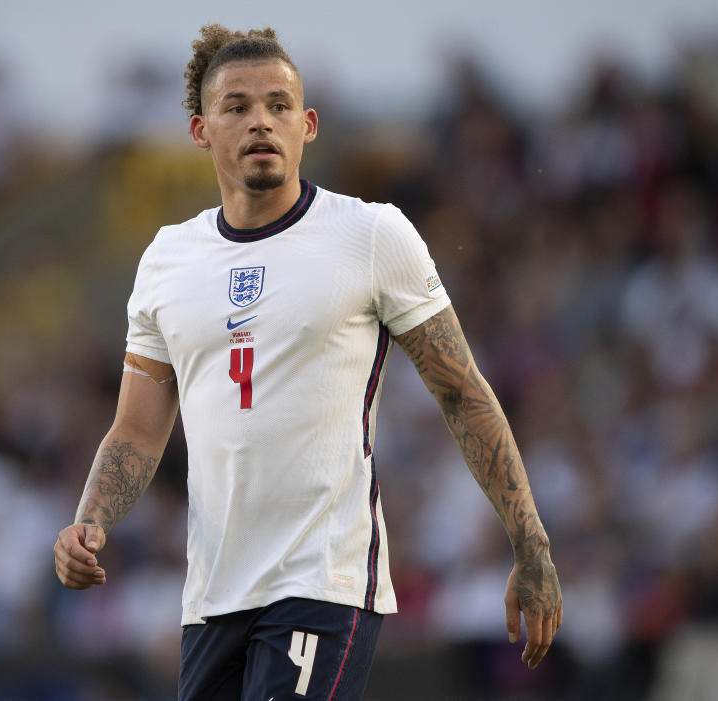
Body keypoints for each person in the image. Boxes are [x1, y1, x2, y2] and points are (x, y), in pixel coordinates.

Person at [54, 25, 562, 700]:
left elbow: (461, 392)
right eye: (237, 106)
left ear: (308, 124)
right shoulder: (167, 259)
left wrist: (533, 546)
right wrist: (90, 519)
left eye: (279, 105)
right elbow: (137, 429)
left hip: (324, 581)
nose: (260, 120)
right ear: (202, 130)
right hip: (213, 594)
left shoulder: (372, 235)